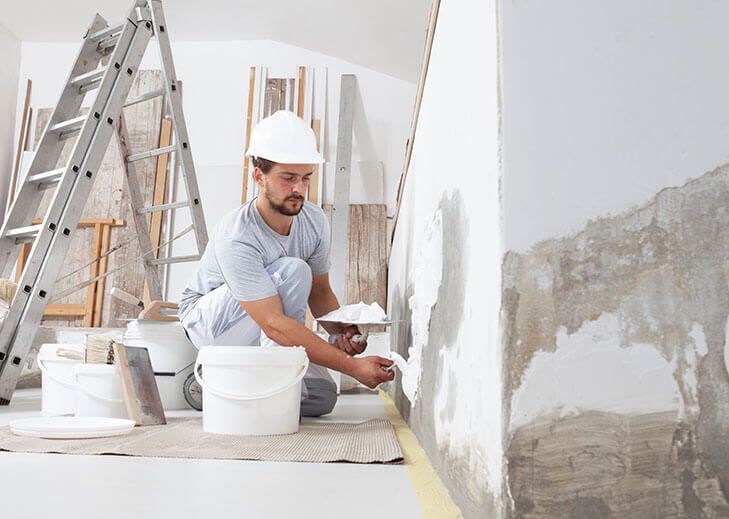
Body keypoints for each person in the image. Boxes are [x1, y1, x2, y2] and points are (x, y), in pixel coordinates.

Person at [179, 110, 394, 416]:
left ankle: (235, 385)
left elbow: (319, 293)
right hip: (210, 325)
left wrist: (339, 333)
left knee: (322, 399)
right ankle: (241, 378)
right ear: (259, 176)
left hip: (268, 324)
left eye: (306, 177)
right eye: (288, 178)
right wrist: (351, 367)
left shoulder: (314, 220)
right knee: (293, 270)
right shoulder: (237, 234)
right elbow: (274, 324)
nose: (299, 189)